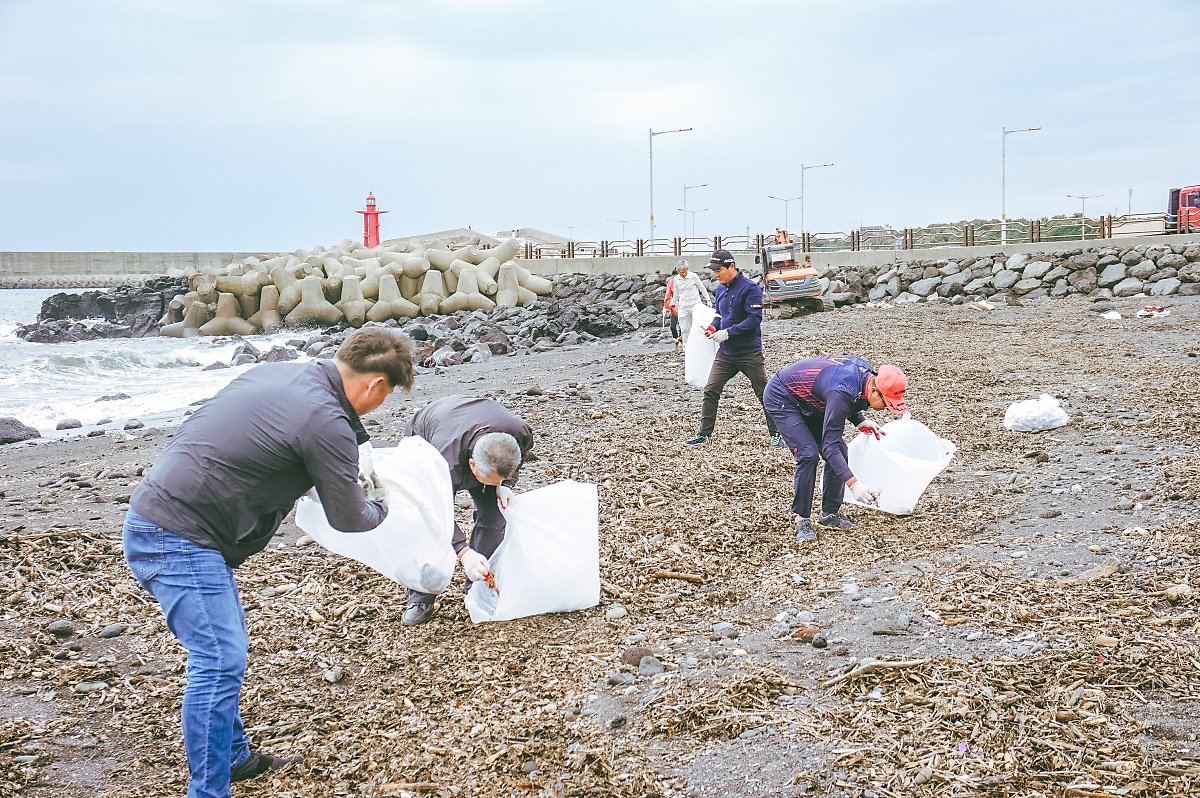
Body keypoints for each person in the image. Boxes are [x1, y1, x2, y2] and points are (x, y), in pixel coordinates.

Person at [123, 327, 413, 798]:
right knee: (218, 660)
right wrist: (384, 502)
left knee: (223, 648)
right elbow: (350, 518)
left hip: (165, 514)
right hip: (177, 536)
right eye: (386, 396)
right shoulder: (327, 421)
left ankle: (234, 758)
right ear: (375, 384)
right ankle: (209, 791)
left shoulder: (278, 373)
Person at [401, 395, 535, 626]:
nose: (493, 485)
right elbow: (432, 514)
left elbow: (515, 462)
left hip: (472, 424)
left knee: (495, 517)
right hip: (428, 430)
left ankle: (479, 588)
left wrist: (505, 485)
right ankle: (421, 597)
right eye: (489, 480)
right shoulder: (441, 462)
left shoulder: (520, 433)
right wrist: (463, 552)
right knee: (429, 532)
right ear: (472, 465)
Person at [763, 356, 908, 541]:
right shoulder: (842, 390)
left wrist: (860, 420)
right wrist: (854, 485)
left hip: (812, 400)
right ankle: (802, 519)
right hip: (782, 396)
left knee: (841, 449)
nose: (887, 409)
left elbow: (851, 399)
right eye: (887, 404)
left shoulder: (866, 377)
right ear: (874, 390)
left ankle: (830, 515)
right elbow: (831, 439)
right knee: (808, 455)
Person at [685, 249, 781, 448]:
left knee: (764, 393)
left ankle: (776, 434)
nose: (715, 274)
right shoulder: (720, 289)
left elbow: (754, 320)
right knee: (711, 389)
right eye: (714, 271)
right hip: (726, 353)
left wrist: (728, 332)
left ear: (731, 267)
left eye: (719, 270)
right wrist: (713, 327)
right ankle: (704, 434)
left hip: (749, 353)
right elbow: (720, 315)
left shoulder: (751, 288)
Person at [668, 258, 711, 344]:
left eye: (685, 271)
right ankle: (686, 348)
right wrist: (672, 303)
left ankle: (701, 344)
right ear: (677, 271)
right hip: (683, 306)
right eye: (681, 272)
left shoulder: (693, 276)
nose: (683, 274)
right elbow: (676, 293)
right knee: (684, 328)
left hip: (695, 304)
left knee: (700, 325)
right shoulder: (676, 279)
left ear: (687, 269)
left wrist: (708, 300)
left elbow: (701, 288)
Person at [663, 267, 681, 349]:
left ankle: (682, 343)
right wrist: (666, 307)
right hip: (674, 307)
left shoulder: (684, 281)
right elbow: (668, 295)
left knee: (682, 327)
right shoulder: (671, 283)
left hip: (683, 306)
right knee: (672, 326)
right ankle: (676, 340)